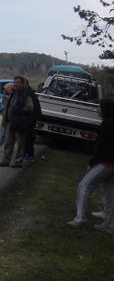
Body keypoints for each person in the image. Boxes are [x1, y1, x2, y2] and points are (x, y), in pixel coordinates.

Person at [67, 99, 114, 233]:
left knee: (84, 185)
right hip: (110, 163)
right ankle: (110, 224)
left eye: (99, 107)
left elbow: (101, 146)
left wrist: (92, 163)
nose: (97, 109)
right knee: (108, 192)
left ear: (106, 109)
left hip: (105, 162)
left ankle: (80, 219)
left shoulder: (108, 124)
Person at [0, 76, 36, 168]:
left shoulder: (26, 94)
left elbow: (30, 108)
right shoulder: (13, 93)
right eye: (14, 82)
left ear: (22, 83)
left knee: (20, 144)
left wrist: (20, 109)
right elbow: (8, 107)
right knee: (8, 143)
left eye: (17, 82)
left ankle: (18, 162)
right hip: (11, 123)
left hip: (20, 123)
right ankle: (5, 161)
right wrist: (5, 119)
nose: (15, 84)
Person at [0, 82, 14, 152]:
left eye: (6, 89)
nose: (4, 90)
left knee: (6, 134)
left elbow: (5, 107)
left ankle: (3, 147)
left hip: (9, 119)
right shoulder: (6, 96)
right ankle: (0, 146)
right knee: (3, 133)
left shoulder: (11, 98)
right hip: (5, 118)